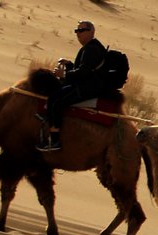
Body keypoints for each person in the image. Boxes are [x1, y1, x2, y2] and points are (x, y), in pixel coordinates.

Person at [39, 20, 107, 152]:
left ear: (92, 32)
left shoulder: (91, 49)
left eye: (82, 30)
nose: (78, 34)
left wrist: (63, 74)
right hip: (86, 85)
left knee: (55, 100)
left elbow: (83, 72)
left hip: (87, 88)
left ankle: (54, 140)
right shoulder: (89, 47)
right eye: (77, 31)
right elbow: (83, 69)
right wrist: (69, 64)